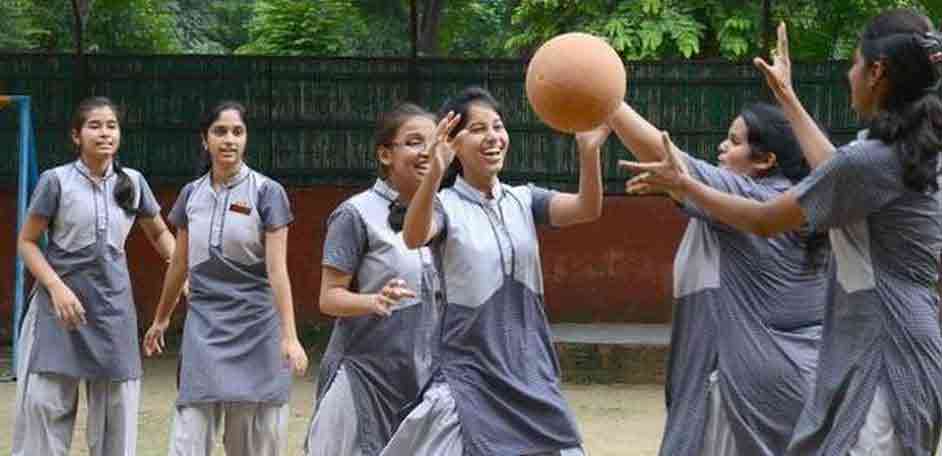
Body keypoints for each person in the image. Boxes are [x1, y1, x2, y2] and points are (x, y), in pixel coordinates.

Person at [623, 9, 942, 455]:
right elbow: (836, 169)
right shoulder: (898, 153)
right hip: (895, 335)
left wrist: (684, 184)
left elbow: (764, 219)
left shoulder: (872, 160)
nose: (847, 74)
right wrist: (787, 95)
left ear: (877, 72)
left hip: (885, 348)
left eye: (853, 63)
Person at [383, 86, 608, 456]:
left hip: (531, 366)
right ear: (452, 142)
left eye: (498, 126)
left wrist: (589, 153)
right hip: (472, 372)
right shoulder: (445, 205)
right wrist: (434, 175)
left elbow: (587, 208)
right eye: (478, 129)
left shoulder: (524, 199)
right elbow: (414, 235)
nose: (493, 137)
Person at [606, 100, 829, 455]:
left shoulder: (752, 197)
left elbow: (672, 161)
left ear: (765, 160)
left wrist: (605, 99)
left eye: (735, 140)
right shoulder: (807, 204)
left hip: (748, 390)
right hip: (809, 380)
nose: (722, 147)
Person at [12, 96, 177, 456]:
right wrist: (56, 287)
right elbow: (26, 243)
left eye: (111, 126)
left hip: (112, 309)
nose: (104, 133)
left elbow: (160, 234)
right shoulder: (54, 181)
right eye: (95, 125)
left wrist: (183, 271)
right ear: (76, 136)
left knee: (117, 411)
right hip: (59, 310)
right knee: (44, 404)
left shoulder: (132, 182)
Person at [144, 100, 308, 456]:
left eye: (237, 131)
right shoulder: (191, 195)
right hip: (204, 326)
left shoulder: (267, 192)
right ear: (205, 139)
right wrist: (161, 319)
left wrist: (290, 337)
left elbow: (278, 271)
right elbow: (179, 264)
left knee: (250, 439)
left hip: (256, 327)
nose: (229, 139)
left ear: (246, 139)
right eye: (220, 131)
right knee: (189, 432)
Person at [303, 103, 444, 456]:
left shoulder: (445, 214)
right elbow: (329, 297)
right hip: (364, 378)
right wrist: (373, 301)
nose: (426, 152)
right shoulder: (355, 214)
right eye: (413, 142)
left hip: (423, 380)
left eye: (433, 142)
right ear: (385, 154)